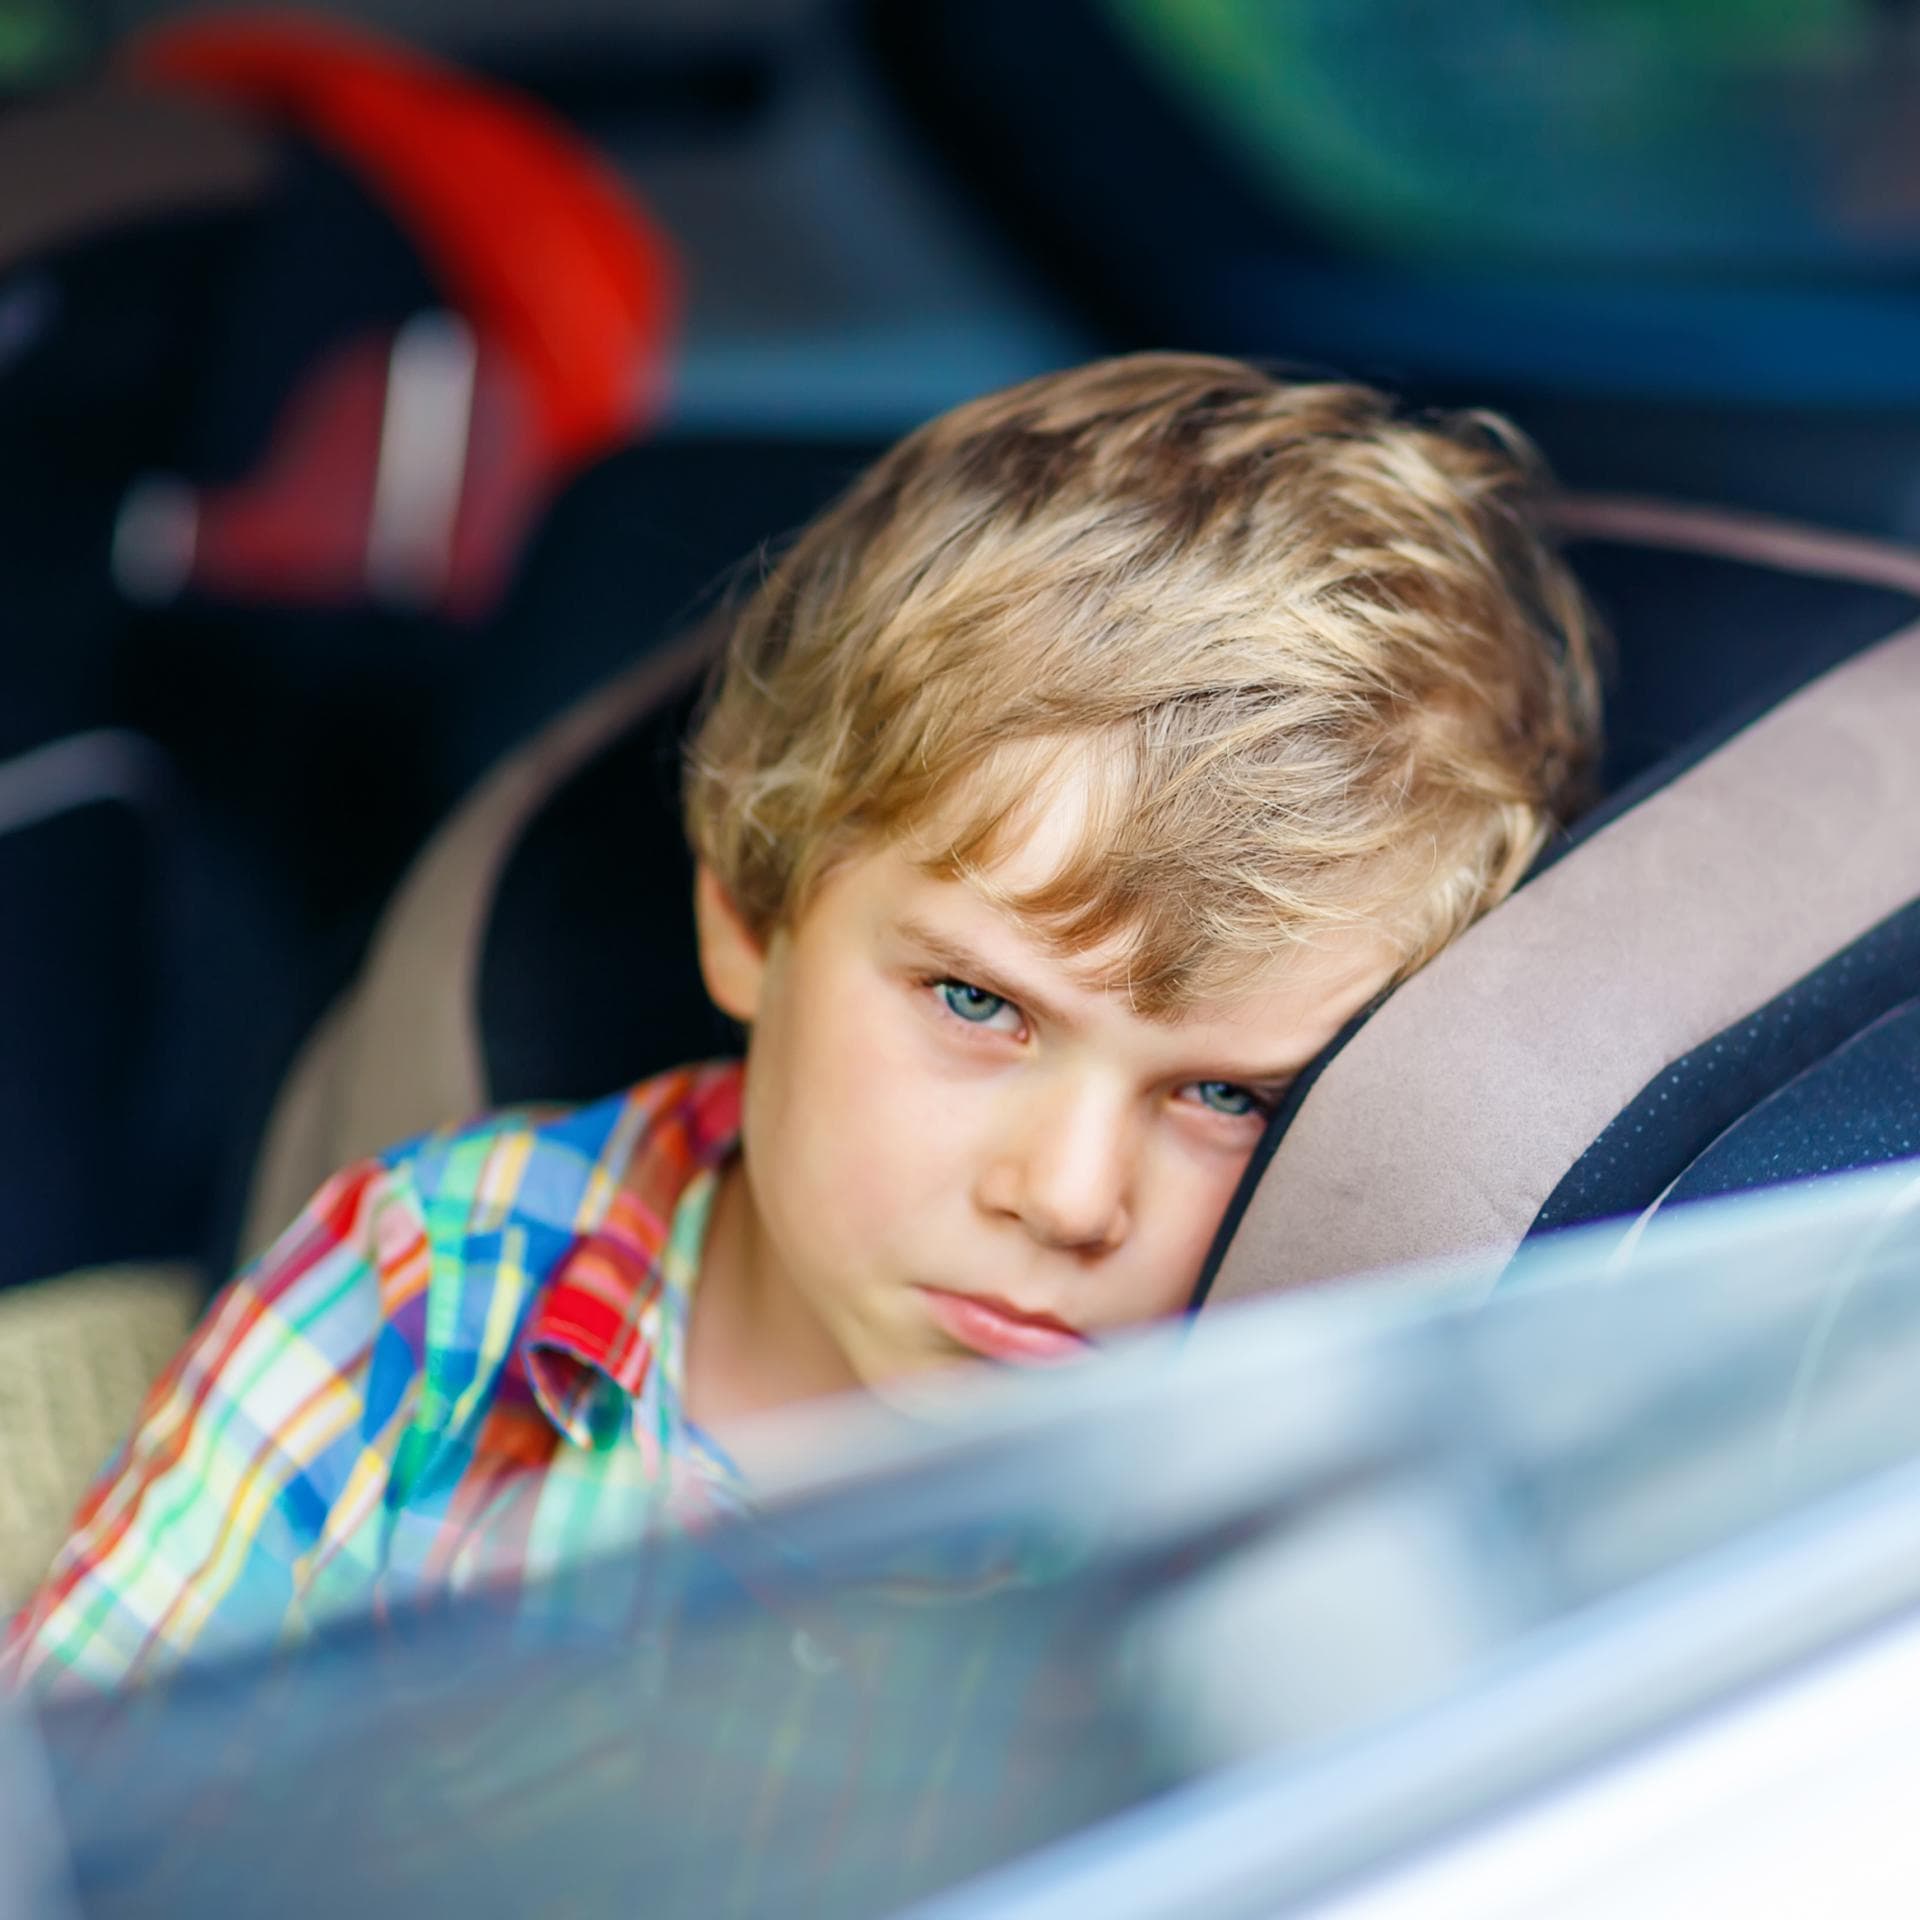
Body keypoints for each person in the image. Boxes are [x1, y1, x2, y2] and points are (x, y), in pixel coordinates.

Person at [5, 354, 1602, 1692]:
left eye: (1229, 1097)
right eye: (978, 1002)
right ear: (751, 916)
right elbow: (74, 1800)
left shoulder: (1272, 1481)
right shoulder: (439, 1299)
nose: (1065, 1195)